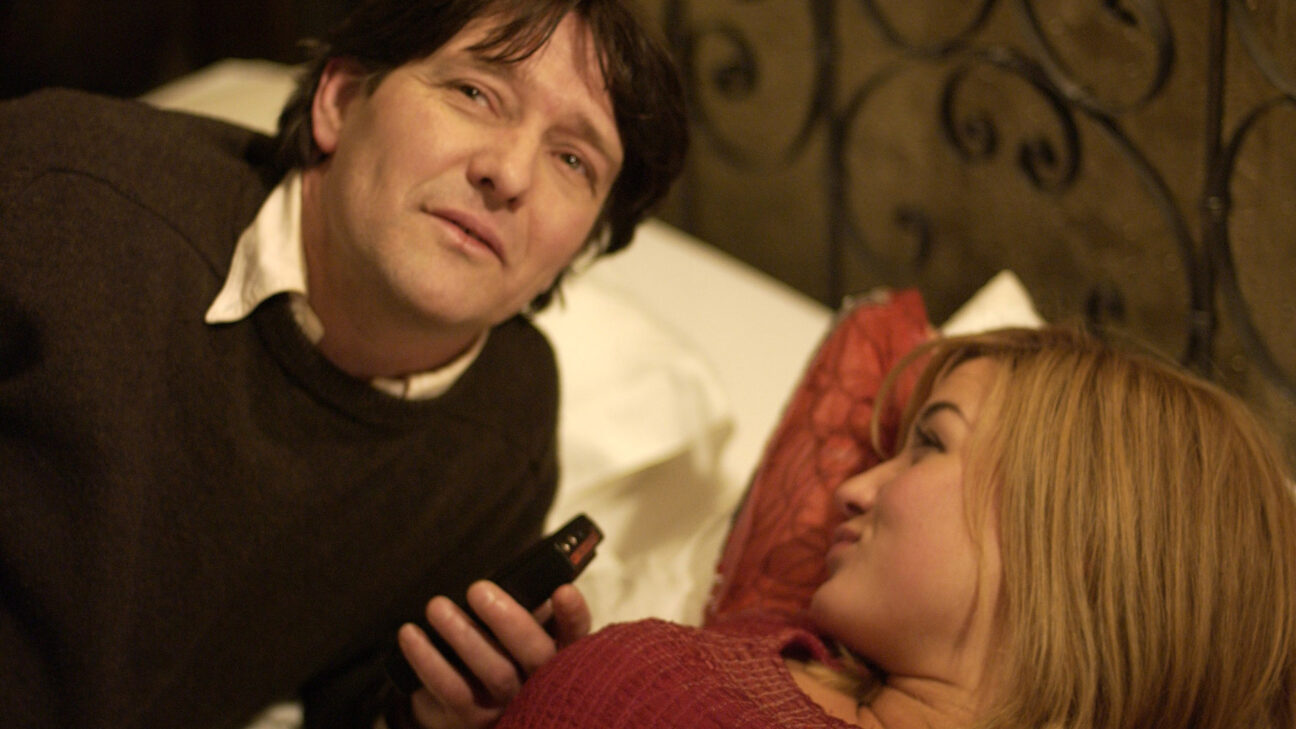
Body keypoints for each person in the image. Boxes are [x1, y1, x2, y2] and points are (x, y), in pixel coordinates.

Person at [0, 1, 687, 728]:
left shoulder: (505, 421)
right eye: (474, 93)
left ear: (579, 249)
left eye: (574, 160)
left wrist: (433, 713)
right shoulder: (56, 194)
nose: (510, 173)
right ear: (339, 100)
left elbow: (356, 691)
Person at [484, 325, 1296, 729]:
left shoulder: (657, 694)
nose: (853, 488)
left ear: (1078, 542)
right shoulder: (747, 656)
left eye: (930, 444)